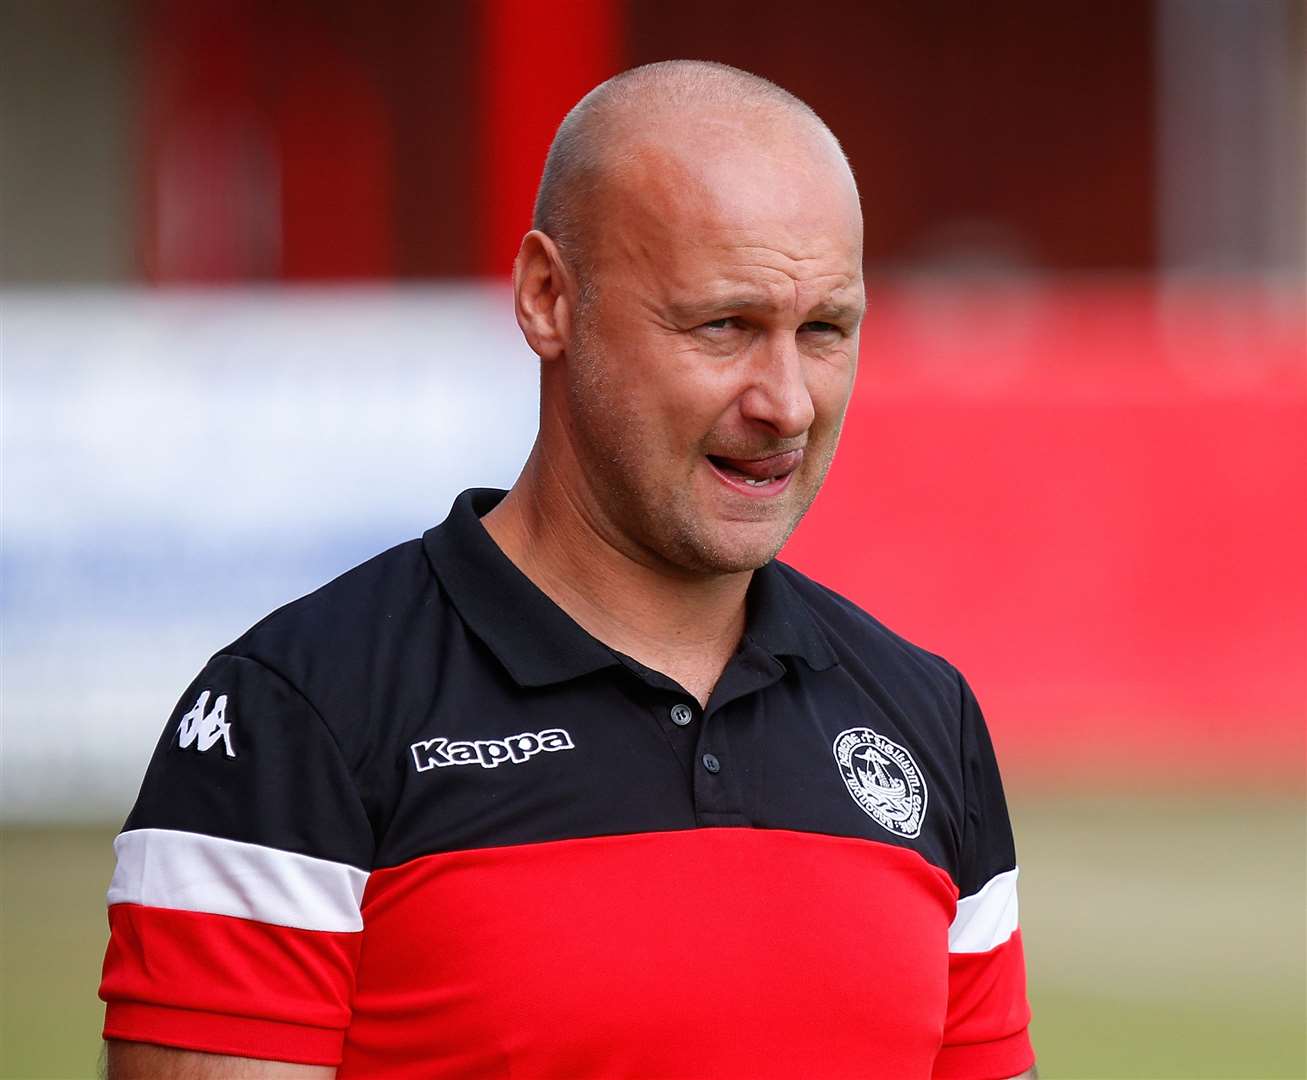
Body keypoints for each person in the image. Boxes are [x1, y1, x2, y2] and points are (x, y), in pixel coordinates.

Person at [100, 60, 1036, 1079]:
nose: (786, 403)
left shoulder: (921, 714)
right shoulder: (296, 713)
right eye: (722, 325)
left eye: (823, 332)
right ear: (549, 298)